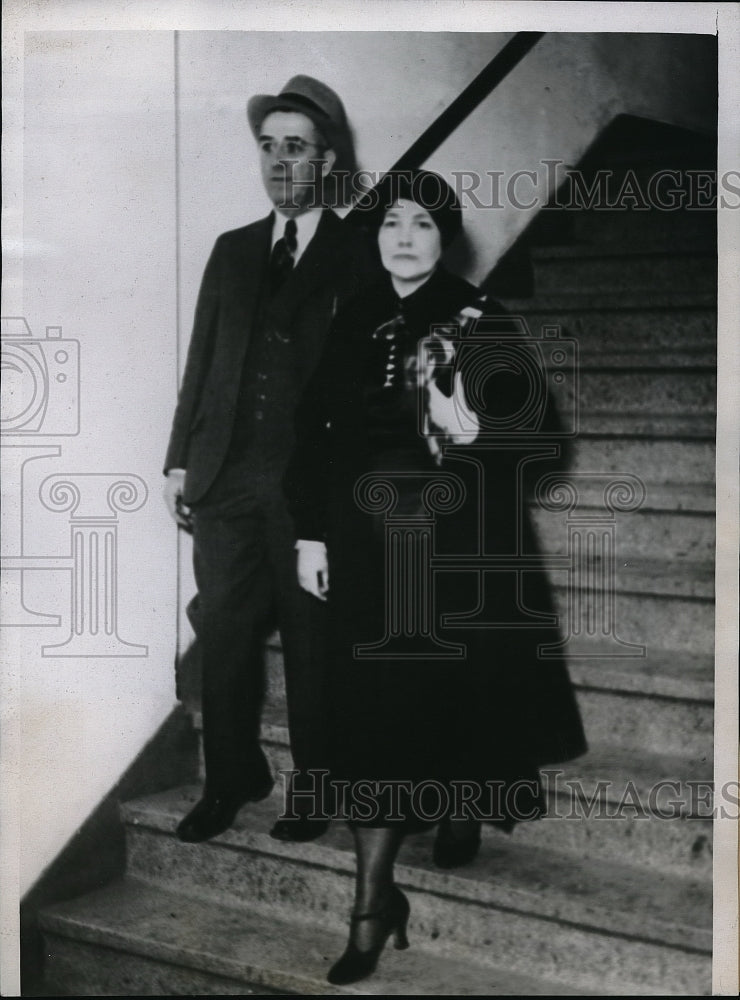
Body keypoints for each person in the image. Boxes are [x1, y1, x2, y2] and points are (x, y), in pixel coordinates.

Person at [283, 170, 587, 985]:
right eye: (391, 224)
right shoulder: (354, 319)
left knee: (448, 696)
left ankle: (457, 803)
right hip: (364, 543)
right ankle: (373, 905)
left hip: (454, 542)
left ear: (443, 237)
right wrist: (312, 534)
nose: (404, 237)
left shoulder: (482, 319)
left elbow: (542, 443)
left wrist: (474, 428)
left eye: (421, 223)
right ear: (376, 236)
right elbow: (312, 435)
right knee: (373, 719)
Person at [163, 75, 376, 845]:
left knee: (312, 643)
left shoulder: (359, 253)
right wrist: (178, 461)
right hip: (223, 480)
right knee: (223, 635)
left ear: (326, 161)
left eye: (295, 148)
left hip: (305, 490)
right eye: (267, 147)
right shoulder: (232, 250)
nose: (279, 162)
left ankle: (315, 789)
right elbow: (203, 362)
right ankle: (232, 778)